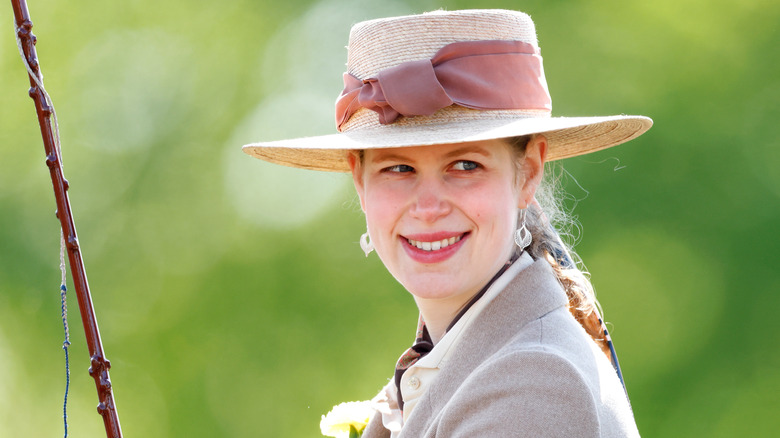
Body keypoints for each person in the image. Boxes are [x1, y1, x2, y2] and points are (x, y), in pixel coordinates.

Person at [243, 9, 651, 437]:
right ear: (359, 182)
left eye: (464, 165)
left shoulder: (535, 385)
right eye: (398, 169)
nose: (428, 206)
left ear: (528, 172)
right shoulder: (454, 363)